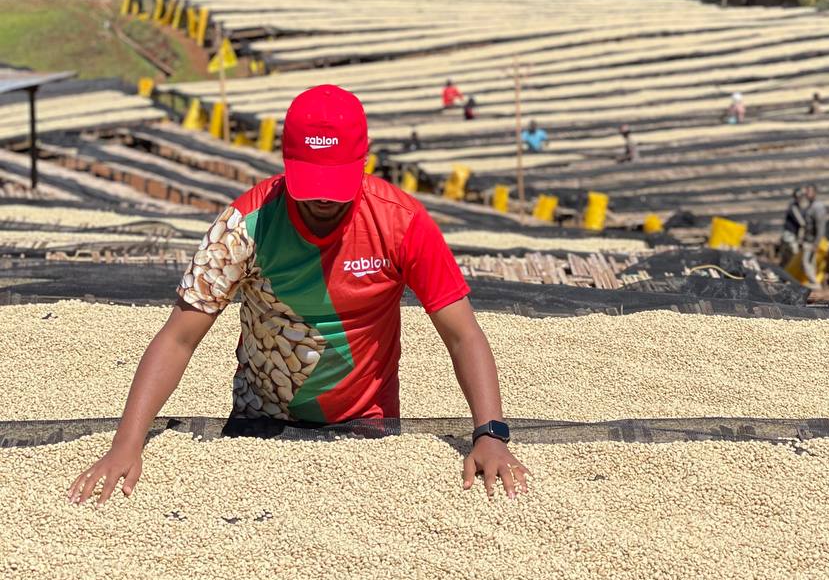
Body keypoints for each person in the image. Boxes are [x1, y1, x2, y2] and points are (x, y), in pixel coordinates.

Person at [68, 85, 527, 506]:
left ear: (364, 161)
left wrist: (490, 434)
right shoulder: (244, 227)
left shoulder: (401, 222)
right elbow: (178, 338)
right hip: (259, 425)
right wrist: (126, 445)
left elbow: (463, 335)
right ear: (285, 163)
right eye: (312, 183)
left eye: (336, 183)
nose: (324, 200)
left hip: (369, 427)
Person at [801, 183, 828, 285]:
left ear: (815, 193)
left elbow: (820, 227)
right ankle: (813, 283)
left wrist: (816, 243)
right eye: (806, 192)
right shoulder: (809, 206)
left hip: (813, 240)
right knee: (810, 263)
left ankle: (814, 283)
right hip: (808, 239)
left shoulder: (818, 207)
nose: (807, 194)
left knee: (806, 262)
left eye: (809, 192)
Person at [780, 187, 807, 267]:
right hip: (789, 236)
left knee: (787, 258)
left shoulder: (797, 207)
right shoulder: (793, 207)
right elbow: (802, 222)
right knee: (795, 256)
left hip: (790, 235)